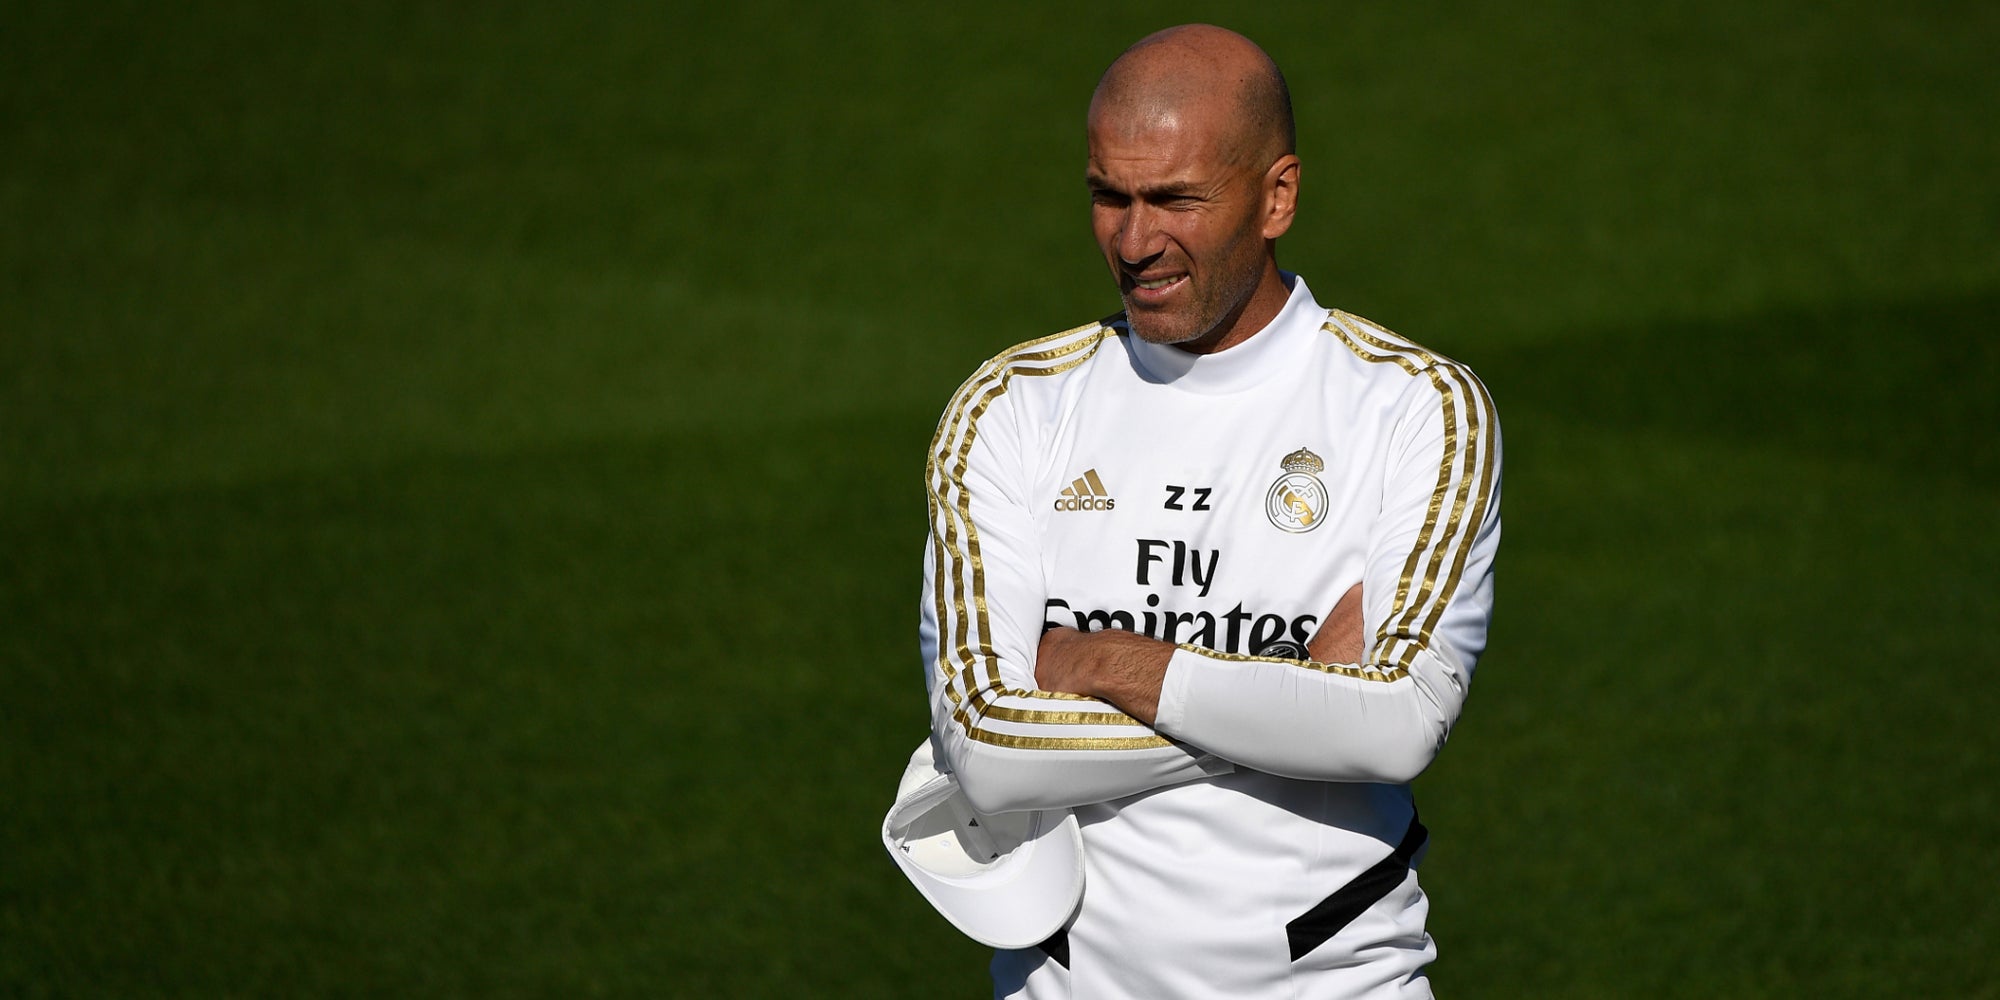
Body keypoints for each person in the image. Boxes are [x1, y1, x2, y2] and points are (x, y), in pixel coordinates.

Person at [913, 23, 1501, 999]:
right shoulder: (1011, 407)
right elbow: (983, 743)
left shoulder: (1415, 409)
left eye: (1174, 199)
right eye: (1109, 196)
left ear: (1276, 196)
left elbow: (1397, 722)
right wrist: (1299, 699)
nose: (1135, 242)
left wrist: (1101, 663)